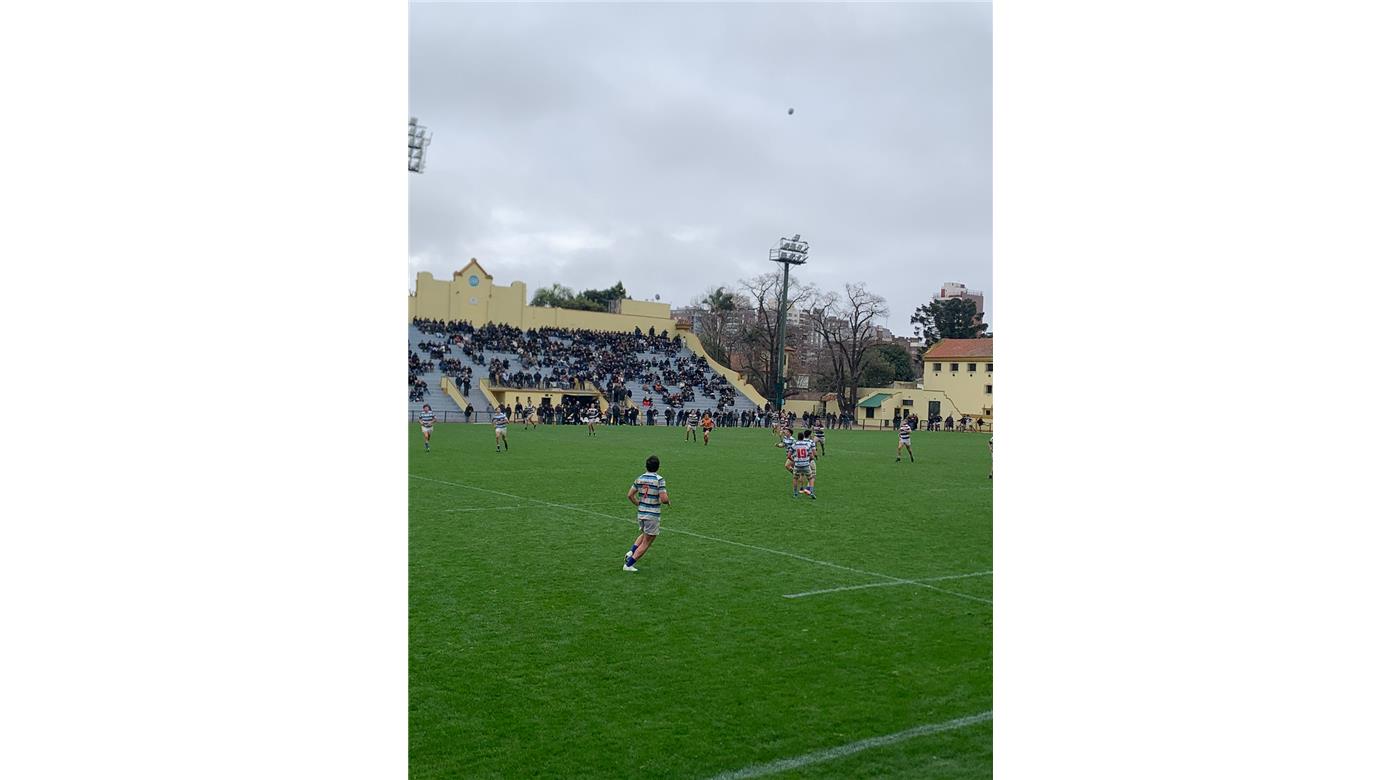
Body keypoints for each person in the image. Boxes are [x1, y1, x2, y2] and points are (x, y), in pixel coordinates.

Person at [623, 455, 670, 572]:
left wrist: (639, 503)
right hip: (652, 514)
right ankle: (629, 565)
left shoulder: (640, 478)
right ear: (658, 467)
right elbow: (664, 499)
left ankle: (631, 552)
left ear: (646, 466)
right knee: (648, 541)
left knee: (645, 534)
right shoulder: (659, 480)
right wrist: (668, 501)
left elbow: (630, 495)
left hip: (641, 513)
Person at [791, 430, 816, 498]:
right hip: (806, 465)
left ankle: (795, 493)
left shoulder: (794, 444)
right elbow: (812, 456)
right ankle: (811, 493)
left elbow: (789, 455)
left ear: (798, 437)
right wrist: (808, 460)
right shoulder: (807, 445)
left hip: (797, 465)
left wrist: (794, 460)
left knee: (795, 478)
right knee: (810, 478)